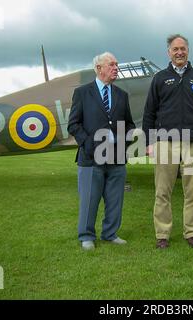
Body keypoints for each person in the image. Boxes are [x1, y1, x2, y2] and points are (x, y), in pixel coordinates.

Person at [142, 34, 193, 249]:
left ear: (188, 51)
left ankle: (191, 233)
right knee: (162, 192)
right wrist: (149, 141)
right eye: (175, 49)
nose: (179, 52)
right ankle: (162, 235)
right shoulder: (159, 78)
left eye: (182, 48)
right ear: (169, 52)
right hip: (165, 142)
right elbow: (149, 113)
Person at [67, 52, 136, 251]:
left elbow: (129, 123)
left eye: (117, 65)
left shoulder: (122, 95)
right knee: (89, 199)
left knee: (115, 200)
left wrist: (126, 139)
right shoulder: (82, 93)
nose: (116, 68)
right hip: (90, 158)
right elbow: (73, 124)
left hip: (116, 158)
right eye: (111, 65)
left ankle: (110, 233)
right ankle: (86, 236)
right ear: (99, 69)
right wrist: (88, 144)